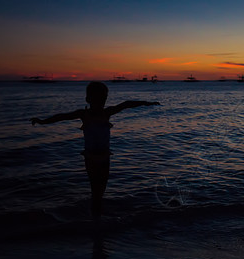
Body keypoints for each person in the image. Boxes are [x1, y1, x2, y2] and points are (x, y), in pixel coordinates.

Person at [31, 81, 160, 216]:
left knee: (101, 190)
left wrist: (147, 103)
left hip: (105, 158)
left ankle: (97, 217)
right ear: (88, 99)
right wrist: (42, 121)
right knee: (95, 189)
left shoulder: (107, 113)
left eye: (103, 99)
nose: (101, 102)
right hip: (91, 158)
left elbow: (126, 104)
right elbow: (62, 117)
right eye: (97, 99)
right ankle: (95, 216)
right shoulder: (84, 114)